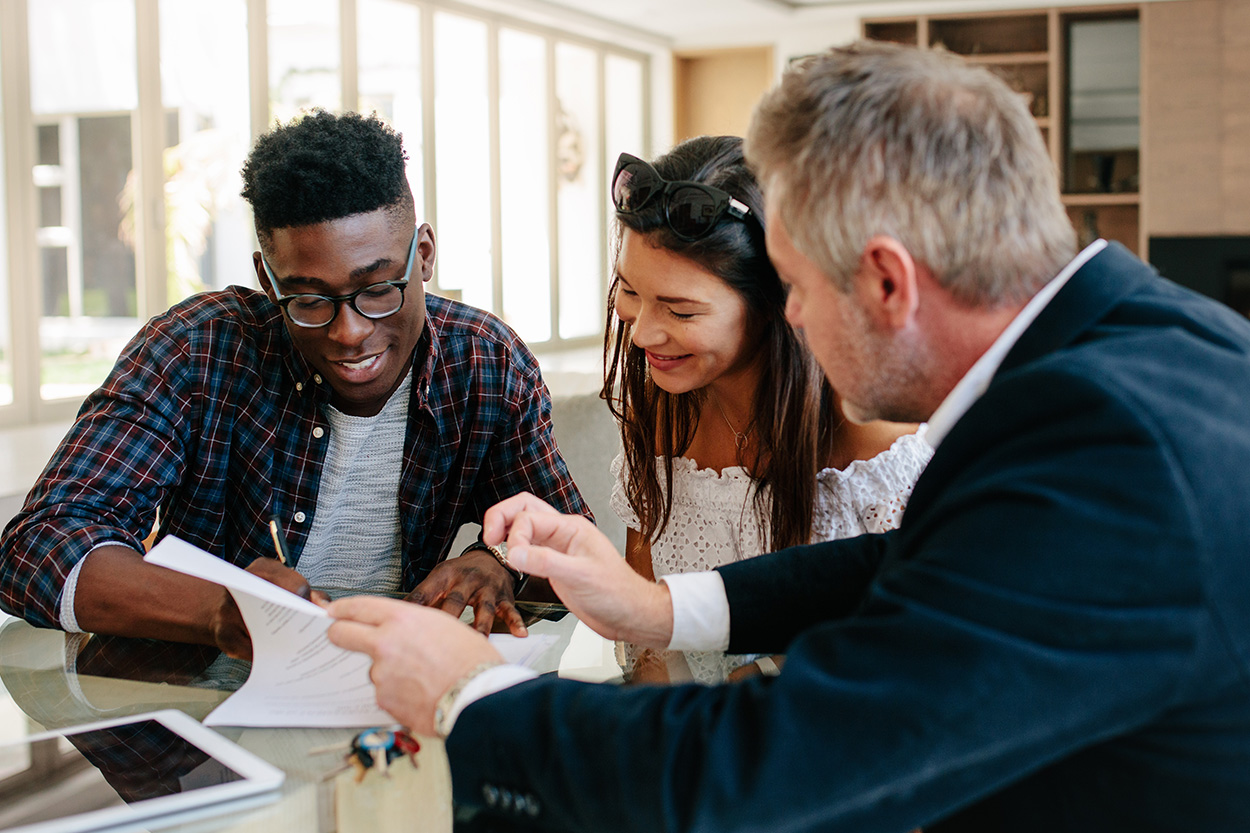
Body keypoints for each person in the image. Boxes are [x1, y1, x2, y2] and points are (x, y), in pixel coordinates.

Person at [328, 42, 1250, 832]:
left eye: (797, 288)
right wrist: (660, 609)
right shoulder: (1145, 341)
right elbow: (918, 559)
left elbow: (766, 775)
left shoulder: (1110, 458)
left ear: (888, 281)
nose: (793, 321)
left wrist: (469, 693)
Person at [0, 110, 589, 660]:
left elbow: (574, 548)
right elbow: (37, 547)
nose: (351, 332)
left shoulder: (485, 363)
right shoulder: (197, 349)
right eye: (308, 299)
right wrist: (217, 613)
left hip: (390, 693)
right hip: (204, 706)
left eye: (379, 287)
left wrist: (500, 561)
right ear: (267, 278)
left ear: (424, 255)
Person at [605, 136, 930, 682]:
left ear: (777, 306)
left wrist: (764, 681)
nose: (642, 334)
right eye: (630, 290)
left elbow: (911, 641)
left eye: (680, 310)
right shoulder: (665, 410)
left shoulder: (868, 432)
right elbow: (648, 634)